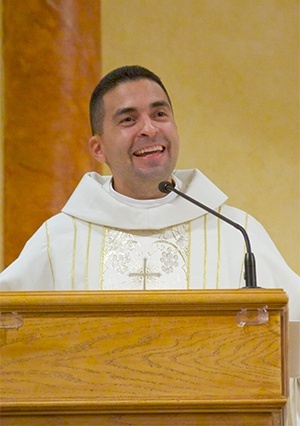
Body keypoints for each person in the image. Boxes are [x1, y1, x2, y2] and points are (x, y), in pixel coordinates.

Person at [0, 65, 299, 424]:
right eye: (128, 120)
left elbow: (292, 339)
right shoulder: (60, 239)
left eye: (160, 114)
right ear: (98, 147)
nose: (149, 128)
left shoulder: (236, 233)